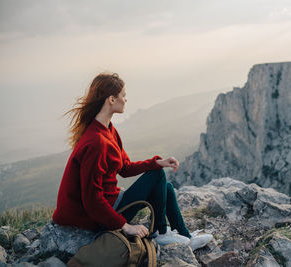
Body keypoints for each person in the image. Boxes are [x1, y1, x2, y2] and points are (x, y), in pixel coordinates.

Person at [52, 72, 212, 250]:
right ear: (111, 100)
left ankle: (184, 236)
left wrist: (157, 162)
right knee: (157, 176)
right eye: (123, 96)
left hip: (111, 201)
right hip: (95, 217)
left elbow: (125, 168)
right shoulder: (96, 142)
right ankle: (161, 233)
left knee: (166, 187)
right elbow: (92, 200)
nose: (126, 100)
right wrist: (126, 226)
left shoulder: (108, 130)